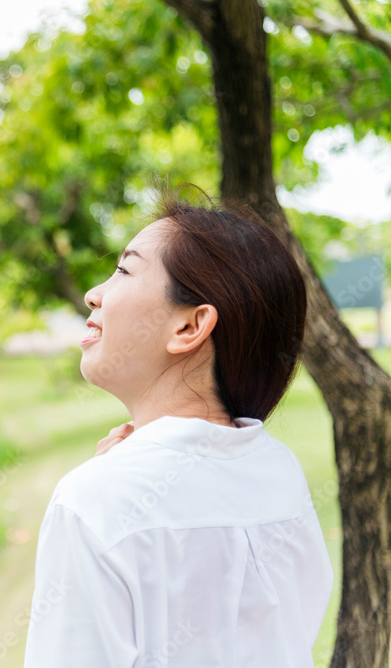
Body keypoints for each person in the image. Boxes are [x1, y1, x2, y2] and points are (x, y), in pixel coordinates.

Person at [23, 183, 335, 667]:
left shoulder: (91, 504)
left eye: (124, 270)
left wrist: (107, 485)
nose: (93, 294)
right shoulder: (279, 471)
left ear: (189, 327)